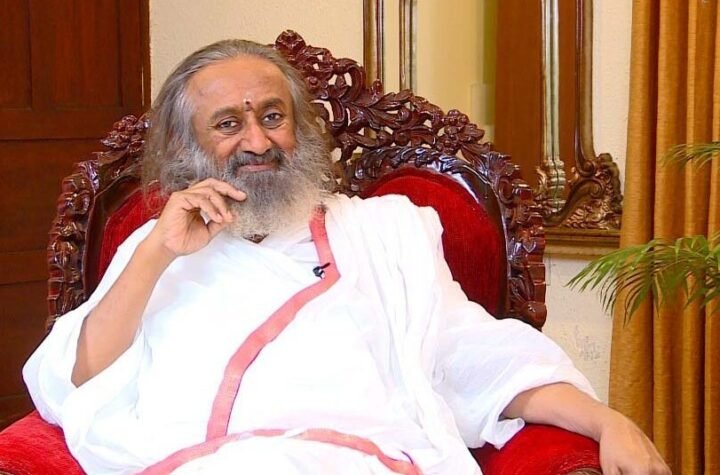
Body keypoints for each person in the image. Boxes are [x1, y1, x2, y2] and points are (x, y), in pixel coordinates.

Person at [24, 39, 669, 475]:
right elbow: (75, 380)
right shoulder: (157, 245)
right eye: (228, 124)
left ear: (301, 129)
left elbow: (482, 360)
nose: (258, 141)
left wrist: (606, 422)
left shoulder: (384, 235)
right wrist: (156, 254)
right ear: (185, 146)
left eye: (272, 116)